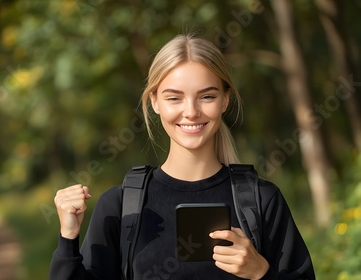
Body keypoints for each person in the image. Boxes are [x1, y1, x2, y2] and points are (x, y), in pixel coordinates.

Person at [49, 34, 315, 279]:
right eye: (174, 98)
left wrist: (261, 273)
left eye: (207, 96)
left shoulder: (263, 201)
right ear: (154, 102)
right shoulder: (119, 206)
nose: (191, 112)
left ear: (225, 100)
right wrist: (68, 237)